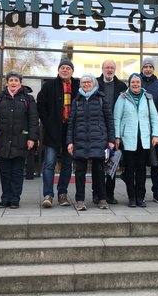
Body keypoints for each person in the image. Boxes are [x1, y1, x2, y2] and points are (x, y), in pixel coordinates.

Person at [0, 71, 39, 208]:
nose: (13, 83)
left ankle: (15, 199)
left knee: (17, 172)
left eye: (16, 80)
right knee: (5, 172)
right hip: (2, 140)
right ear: (7, 82)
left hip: (21, 140)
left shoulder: (28, 99)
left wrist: (32, 138)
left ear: (20, 83)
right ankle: (5, 198)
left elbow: (33, 120)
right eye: (11, 80)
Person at [67, 74, 115, 211]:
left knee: (99, 172)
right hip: (80, 140)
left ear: (94, 84)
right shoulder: (77, 100)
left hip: (98, 140)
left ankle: (102, 199)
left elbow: (109, 120)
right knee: (80, 172)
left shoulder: (101, 99)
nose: (86, 84)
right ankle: (80, 200)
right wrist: (70, 141)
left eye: (89, 82)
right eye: (83, 82)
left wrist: (111, 140)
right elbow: (71, 123)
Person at [37, 58, 80, 208]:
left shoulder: (78, 86)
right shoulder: (49, 86)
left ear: (72, 71)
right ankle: (48, 195)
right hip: (53, 131)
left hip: (71, 132)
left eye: (68, 68)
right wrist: (48, 123)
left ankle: (62, 194)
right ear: (58, 70)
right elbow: (40, 104)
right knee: (49, 163)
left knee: (67, 164)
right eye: (62, 68)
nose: (65, 70)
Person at [114, 73, 158, 208]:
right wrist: (117, 137)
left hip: (143, 139)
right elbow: (117, 118)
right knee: (129, 169)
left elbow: (154, 117)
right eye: (133, 82)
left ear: (141, 84)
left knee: (141, 169)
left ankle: (140, 197)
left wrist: (155, 135)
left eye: (137, 82)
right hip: (128, 139)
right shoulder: (122, 97)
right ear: (129, 84)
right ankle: (132, 197)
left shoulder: (147, 97)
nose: (135, 84)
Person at [93, 59, 126, 205]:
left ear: (115, 70)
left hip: (115, 128)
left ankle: (109, 195)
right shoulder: (95, 84)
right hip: (98, 129)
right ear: (102, 69)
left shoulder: (122, 86)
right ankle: (97, 194)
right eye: (107, 67)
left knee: (112, 163)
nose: (109, 70)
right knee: (98, 164)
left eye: (112, 67)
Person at [140, 58, 158, 203]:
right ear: (142, 68)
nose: (148, 69)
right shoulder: (136, 82)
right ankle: (140, 193)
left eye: (150, 66)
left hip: (156, 129)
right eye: (146, 66)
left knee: (156, 162)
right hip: (140, 130)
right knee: (141, 162)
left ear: (153, 69)